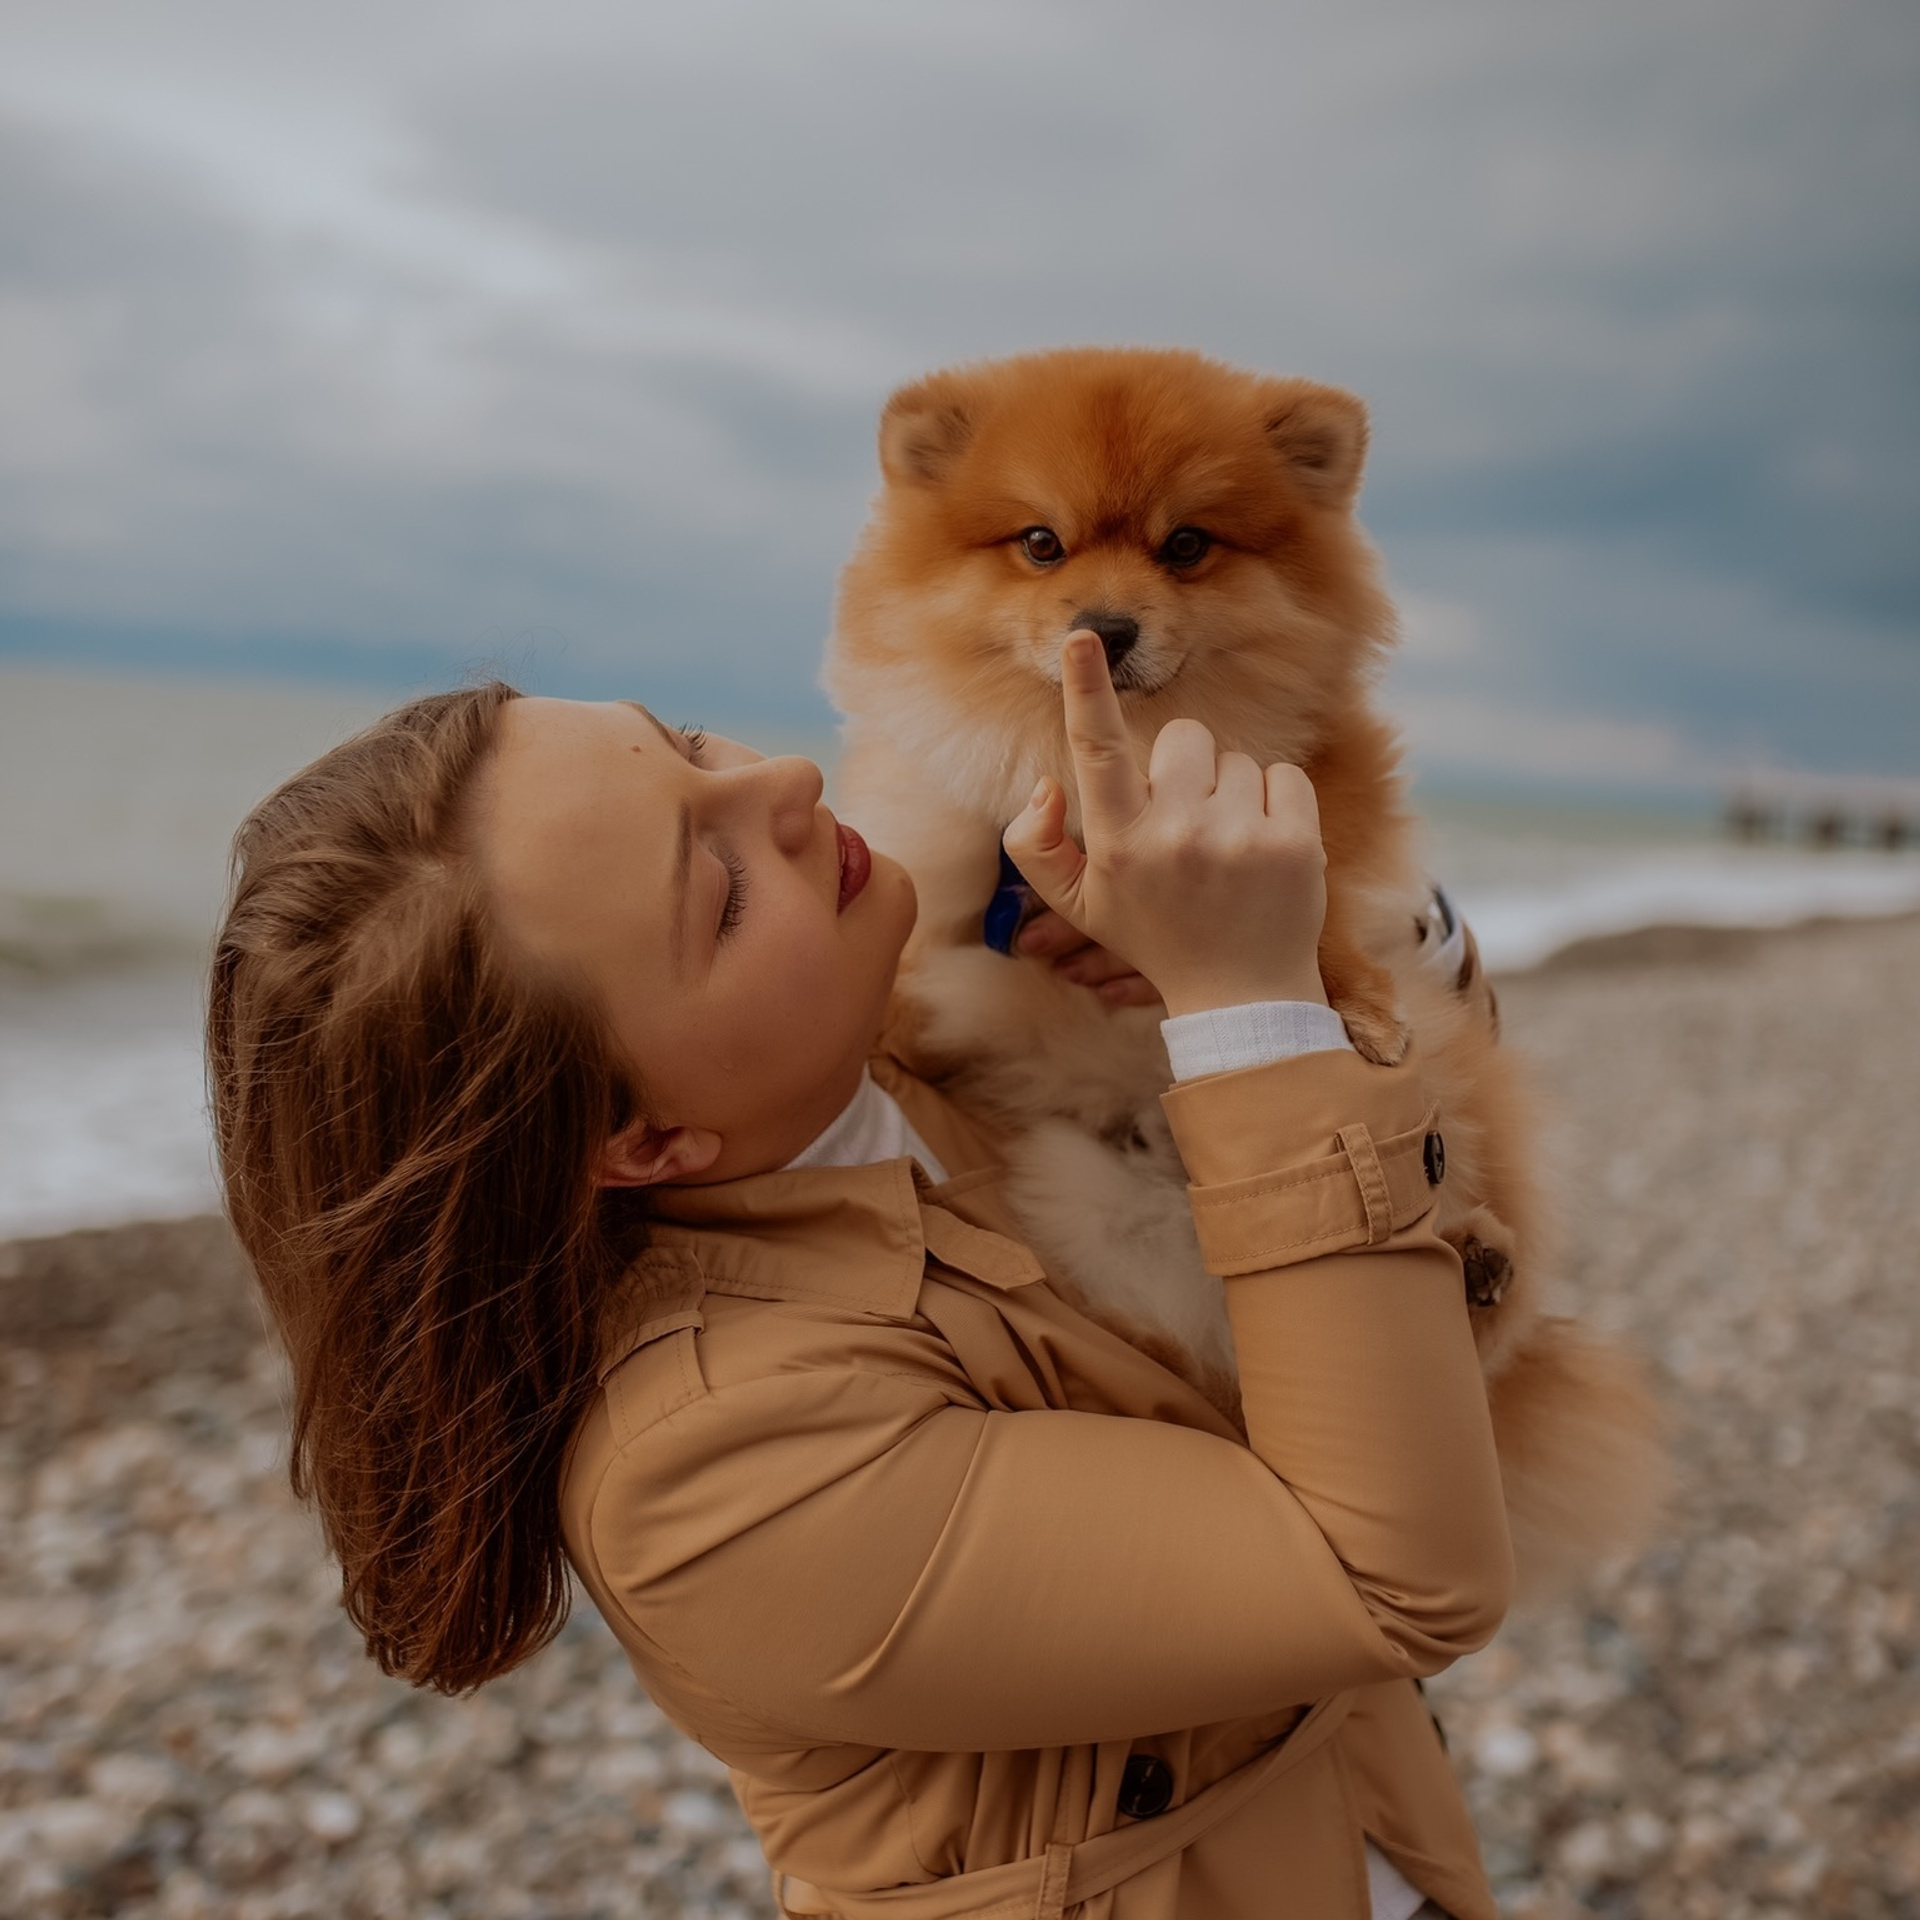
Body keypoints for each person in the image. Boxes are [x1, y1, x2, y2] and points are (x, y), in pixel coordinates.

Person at [209, 633, 1513, 1919]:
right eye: (717, 891)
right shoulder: (708, 1479)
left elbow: (1433, 1233)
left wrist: (1364, 935)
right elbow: (1394, 1572)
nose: (783, 784)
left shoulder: (914, 1036)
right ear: (645, 1140)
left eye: (685, 744)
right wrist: (1249, 1002)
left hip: (1380, 1837)